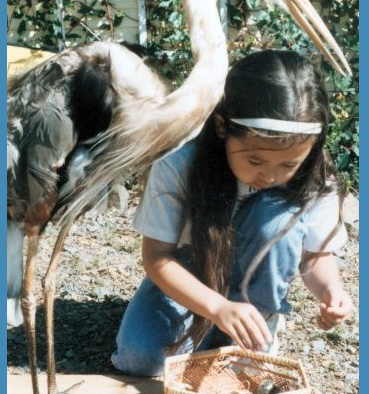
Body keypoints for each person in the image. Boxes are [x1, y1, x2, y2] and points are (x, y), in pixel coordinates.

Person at [111, 50, 353, 376]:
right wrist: (217, 307)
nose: (269, 175)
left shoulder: (315, 177)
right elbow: (157, 257)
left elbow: (314, 257)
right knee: (140, 359)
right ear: (223, 127)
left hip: (256, 278)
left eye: (288, 165)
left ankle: (255, 321)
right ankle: (220, 323)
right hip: (192, 270)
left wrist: (330, 290)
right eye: (255, 161)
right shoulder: (180, 159)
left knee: (277, 221)